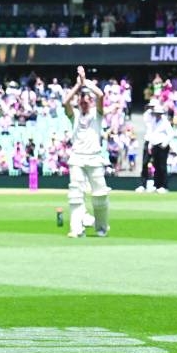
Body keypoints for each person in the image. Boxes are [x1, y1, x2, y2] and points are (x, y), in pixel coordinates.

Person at [62, 66, 110, 237]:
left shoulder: (97, 115)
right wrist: (77, 85)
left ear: (90, 101)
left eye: (86, 100)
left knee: (100, 195)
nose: (83, 102)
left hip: (95, 158)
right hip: (77, 158)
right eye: (81, 100)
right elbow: (65, 102)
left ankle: (101, 228)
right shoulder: (74, 115)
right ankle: (76, 229)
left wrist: (86, 82)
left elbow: (101, 96)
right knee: (75, 194)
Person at [143, 103, 173, 193]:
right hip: (155, 146)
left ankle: (164, 186)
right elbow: (152, 134)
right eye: (156, 113)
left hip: (162, 146)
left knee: (162, 166)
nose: (157, 115)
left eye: (158, 113)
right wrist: (150, 145)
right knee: (156, 166)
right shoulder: (153, 121)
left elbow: (171, 134)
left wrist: (165, 143)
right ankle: (156, 185)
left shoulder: (165, 122)